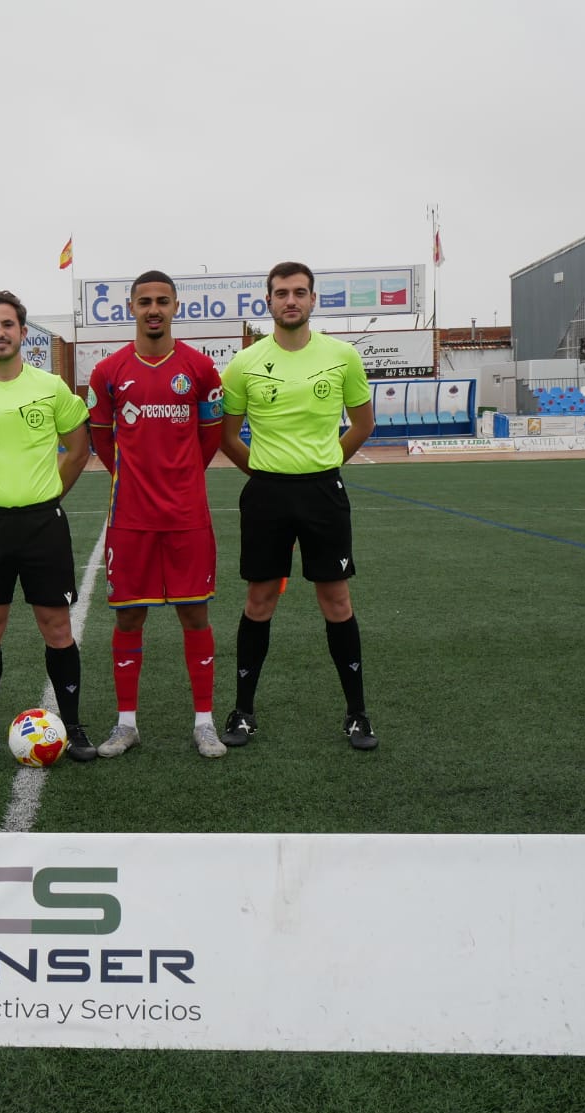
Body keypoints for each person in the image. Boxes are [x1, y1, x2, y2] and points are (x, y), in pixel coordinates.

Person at [218, 261, 378, 751]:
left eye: (299, 292)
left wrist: (325, 464)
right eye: (281, 293)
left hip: (323, 493)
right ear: (267, 302)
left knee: (337, 601)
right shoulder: (244, 364)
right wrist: (266, 472)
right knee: (259, 601)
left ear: (313, 301)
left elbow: (363, 423)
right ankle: (243, 711)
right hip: (266, 494)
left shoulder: (342, 355)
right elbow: (226, 435)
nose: (291, 300)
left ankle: (356, 714)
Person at [0, 290, 96, 762]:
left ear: (23, 332)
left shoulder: (51, 388)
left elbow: (78, 450)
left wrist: (46, 496)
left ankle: (72, 727)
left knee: (56, 626)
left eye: (8, 325)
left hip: (42, 526)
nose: (0, 333)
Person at [87, 270, 228, 758]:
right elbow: (102, 439)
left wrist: (181, 474)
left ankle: (204, 722)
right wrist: (133, 477)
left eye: (161, 301)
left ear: (175, 307)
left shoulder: (201, 369)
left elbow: (210, 436)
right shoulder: (107, 372)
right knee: (129, 619)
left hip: (187, 516)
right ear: (131, 307)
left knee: (195, 613)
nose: (153, 309)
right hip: (130, 518)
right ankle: (126, 724)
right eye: (144, 301)